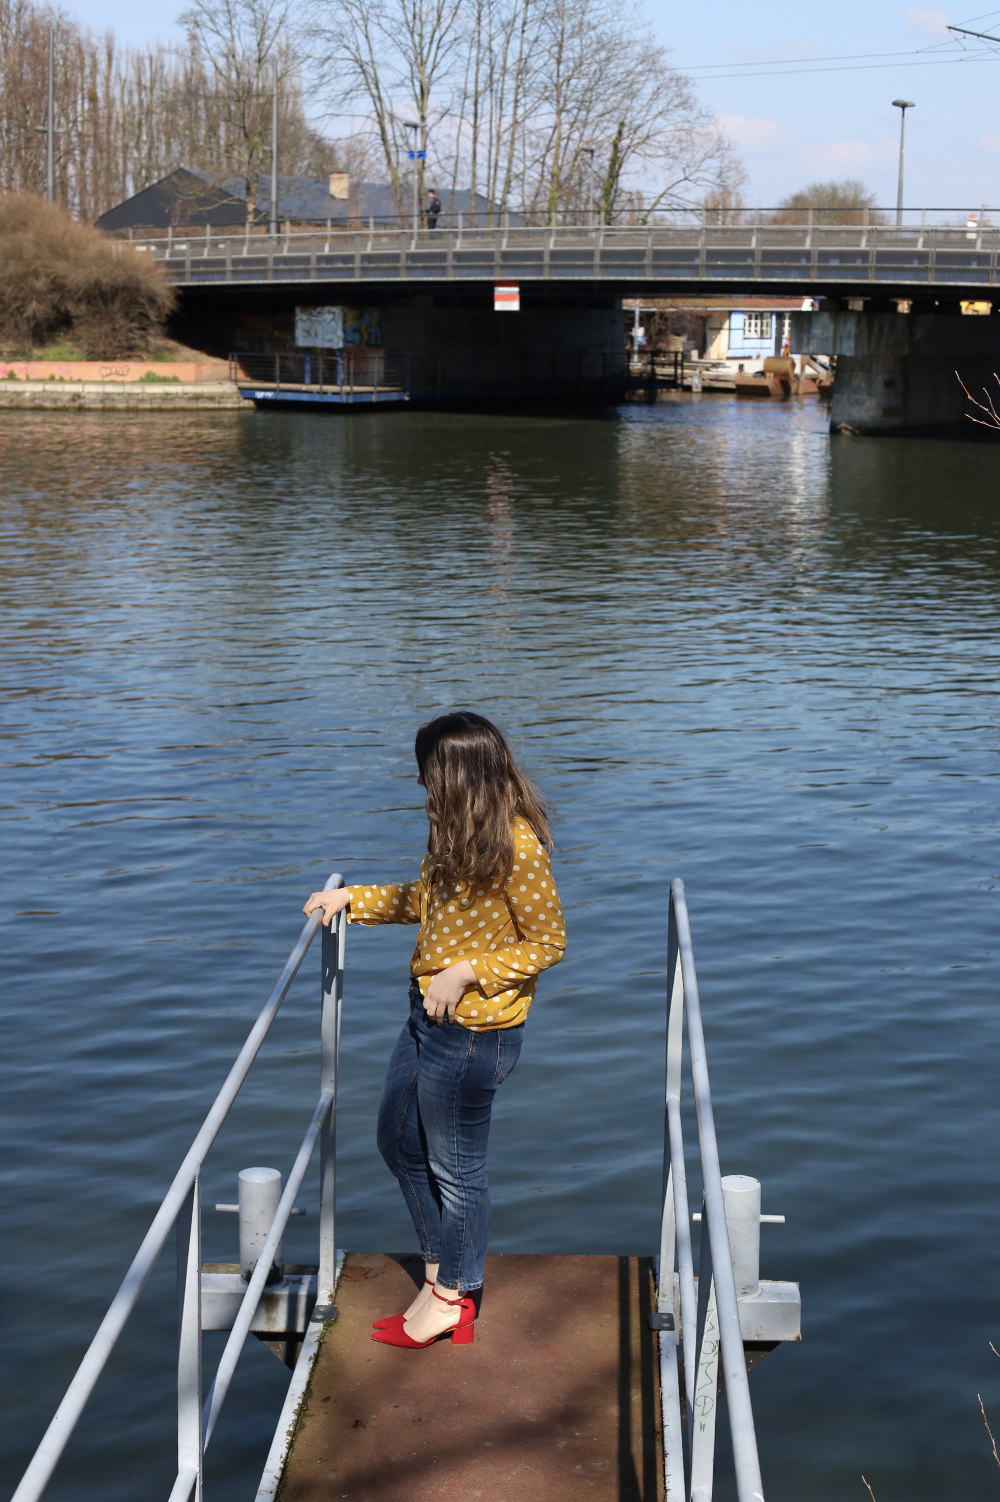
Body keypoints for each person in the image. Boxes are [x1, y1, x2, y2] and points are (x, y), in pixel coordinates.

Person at [303, 712, 566, 1349]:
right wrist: (352, 901)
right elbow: (423, 903)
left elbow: (549, 943)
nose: (422, 788)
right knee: (396, 1139)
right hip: (425, 1016)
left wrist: (468, 972)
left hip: (476, 1032)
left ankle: (453, 1295)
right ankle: (440, 1270)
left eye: (428, 778)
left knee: (458, 1169)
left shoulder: (517, 846)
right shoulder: (451, 835)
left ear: (457, 778)